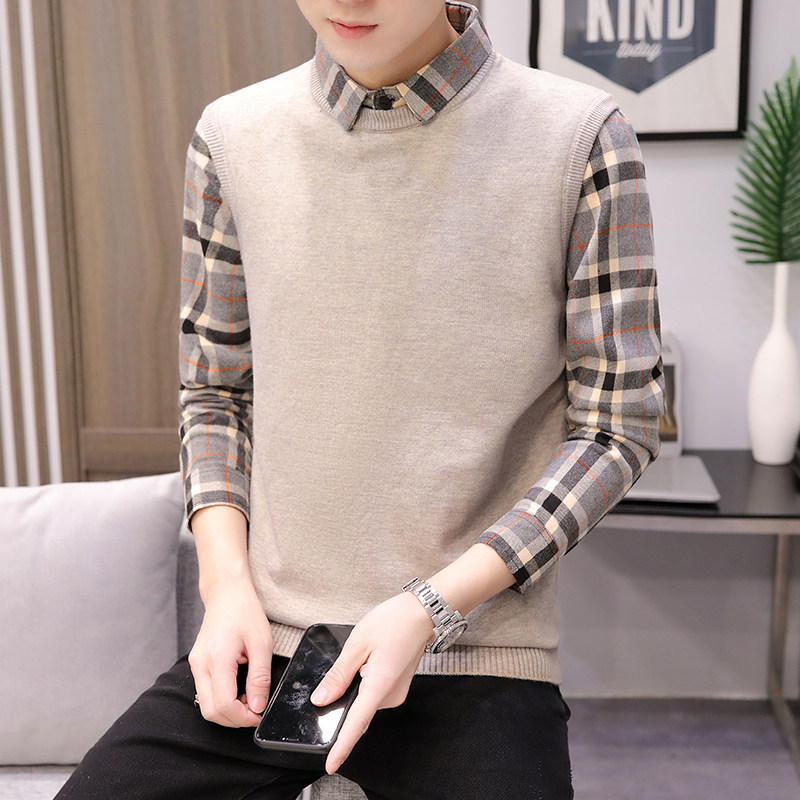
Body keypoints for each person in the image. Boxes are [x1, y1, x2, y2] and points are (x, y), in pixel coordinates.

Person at [56, 2, 664, 798]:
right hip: (272, 646)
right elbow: (215, 391)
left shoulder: (581, 138)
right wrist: (225, 590)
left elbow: (617, 426)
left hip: (471, 652)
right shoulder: (232, 137)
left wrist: (431, 607)